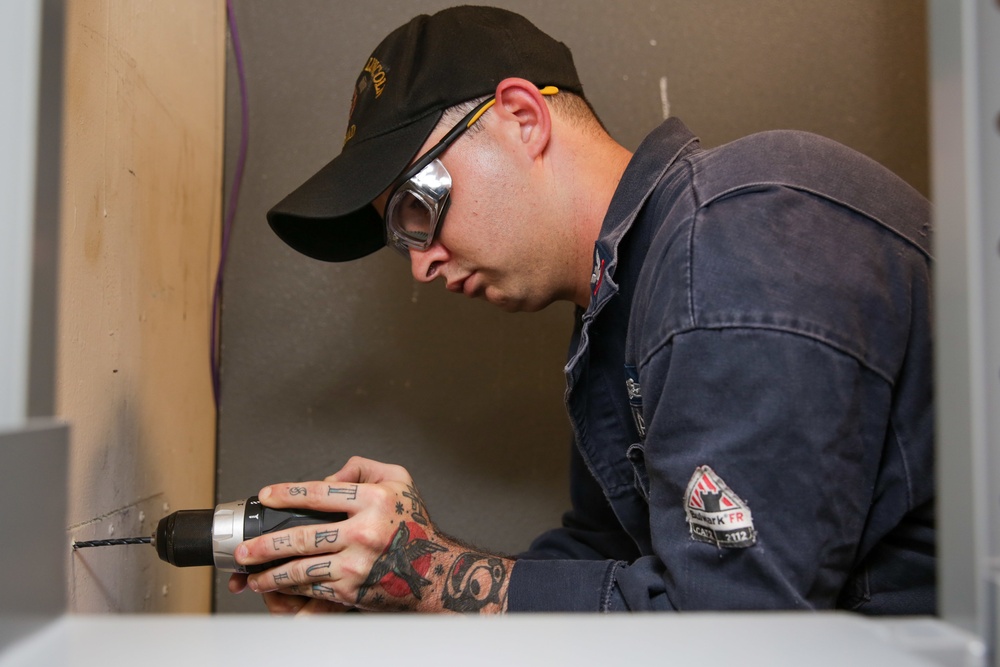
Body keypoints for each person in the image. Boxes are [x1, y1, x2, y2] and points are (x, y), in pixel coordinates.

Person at [229, 5, 935, 615]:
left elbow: (730, 631)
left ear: (521, 117)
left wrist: (430, 573)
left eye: (418, 209)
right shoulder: (623, 310)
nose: (421, 262)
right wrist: (392, 577)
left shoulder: (729, 245)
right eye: (399, 237)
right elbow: (605, 561)